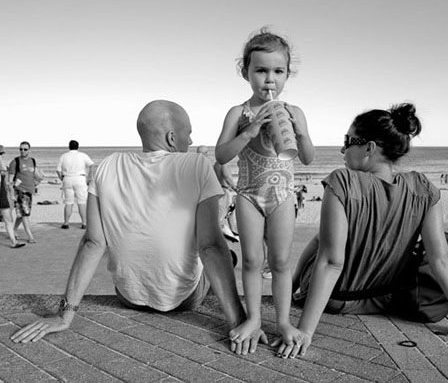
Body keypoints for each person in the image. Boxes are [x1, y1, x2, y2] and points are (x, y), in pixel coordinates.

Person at [11, 100, 266, 355]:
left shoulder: (107, 165)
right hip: (184, 298)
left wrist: (64, 316)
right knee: (222, 252)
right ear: (172, 137)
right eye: (188, 134)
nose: (190, 140)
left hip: (128, 296)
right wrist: (240, 322)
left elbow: (93, 243)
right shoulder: (196, 165)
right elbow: (209, 246)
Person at [280, 103, 448, 359]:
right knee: (337, 236)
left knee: (326, 239)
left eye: (347, 141)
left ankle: (292, 282)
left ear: (369, 148)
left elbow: (330, 262)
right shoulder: (423, 188)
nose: (342, 149)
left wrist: (305, 330)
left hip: (335, 299)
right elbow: (441, 260)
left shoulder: (342, 182)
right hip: (385, 298)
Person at [215, 28, 315, 349]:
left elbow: (309, 159)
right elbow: (221, 155)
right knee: (252, 260)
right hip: (248, 195)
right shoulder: (238, 112)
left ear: (288, 74)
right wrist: (248, 131)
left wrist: (300, 133)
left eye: (278, 71)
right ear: (246, 72)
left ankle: (283, 321)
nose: (269, 79)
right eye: (260, 70)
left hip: (283, 196)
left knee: (282, 262)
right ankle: (254, 318)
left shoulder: (294, 111)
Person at [56, 140, 94, 229]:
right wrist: (89, 177)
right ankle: (84, 223)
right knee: (82, 202)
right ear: (78, 146)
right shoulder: (83, 155)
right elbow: (91, 165)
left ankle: (66, 223)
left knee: (68, 202)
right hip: (80, 179)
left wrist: (62, 178)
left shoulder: (64, 156)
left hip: (67, 178)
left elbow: (58, 170)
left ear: (69, 146)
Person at [8, 141, 38, 243]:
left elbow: (34, 175)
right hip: (20, 191)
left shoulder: (32, 161)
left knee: (22, 214)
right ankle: (30, 236)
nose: (22, 151)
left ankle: (13, 230)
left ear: (29, 150)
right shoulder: (15, 162)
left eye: (25, 149)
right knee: (25, 214)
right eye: (21, 149)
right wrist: (12, 194)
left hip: (29, 192)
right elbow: (10, 180)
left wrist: (37, 182)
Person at [0, 145, 25, 248]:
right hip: (1, 192)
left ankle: (14, 242)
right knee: (8, 218)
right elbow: (3, 169)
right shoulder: (1, 163)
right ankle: (14, 242)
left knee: (8, 218)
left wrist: (11, 190)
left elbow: (5, 176)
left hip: (2, 193)